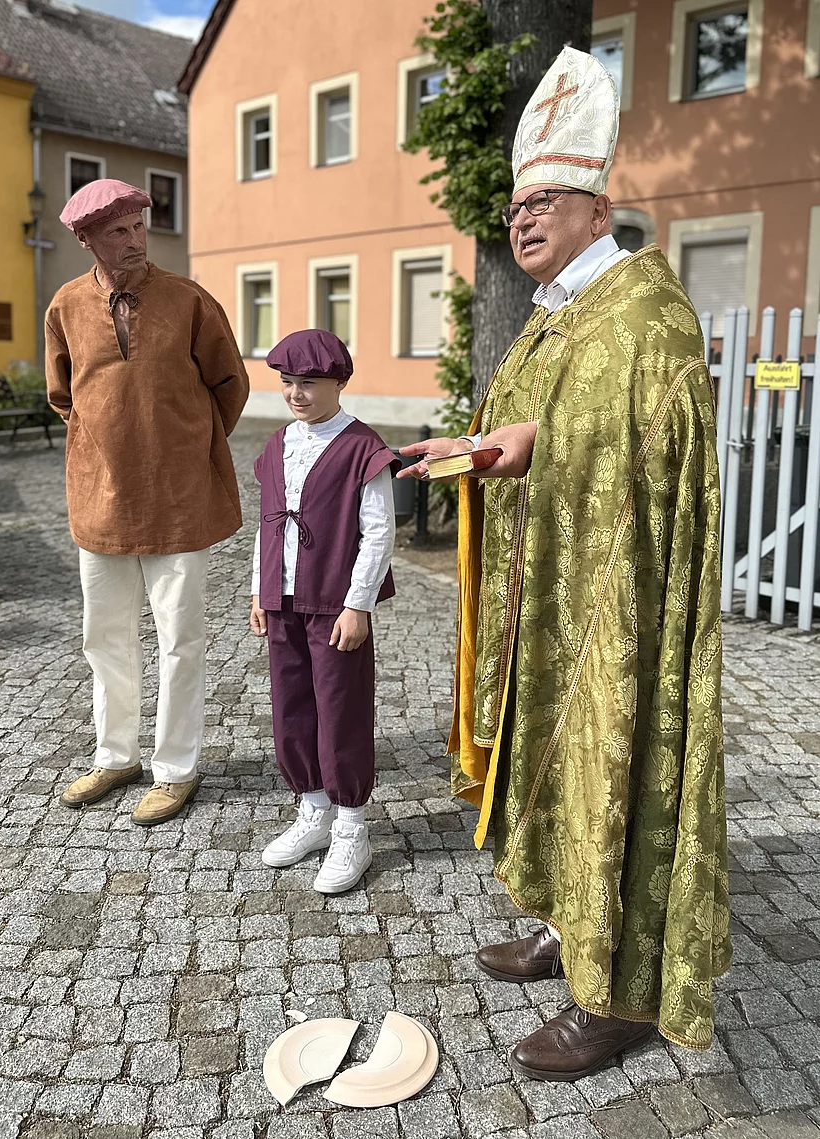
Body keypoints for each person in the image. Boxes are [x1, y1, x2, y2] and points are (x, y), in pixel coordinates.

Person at [399, 48, 730, 1077]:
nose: (523, 218)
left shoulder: (642, 309)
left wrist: (540, 442)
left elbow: (644, 451)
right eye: (512, 207)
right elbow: (558, 426)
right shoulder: (560, 314)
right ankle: (563, 924)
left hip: (613, 607)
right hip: (545, 591)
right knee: (551, 769)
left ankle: (618, 986)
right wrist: (490, 445)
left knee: (609, 774)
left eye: (546, 200)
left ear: (597, 208)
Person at [47, 178, 249, 827]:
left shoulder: (189, 301)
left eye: (139, 226)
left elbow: (230, 385)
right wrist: (103, 445)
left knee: (180, 638)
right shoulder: (66, 306)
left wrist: (183, 447)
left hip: (179, 498)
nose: (133, 240)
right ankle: (116, 755)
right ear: (86, 239)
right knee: (103, 636)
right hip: (100, 497)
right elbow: (61, 395)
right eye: (117, 231)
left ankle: (176, 768)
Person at [250, 330, 398, 893]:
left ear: (339, 381)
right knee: (291, 708)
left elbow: (378, 531)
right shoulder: (276, 446)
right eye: (288, 383)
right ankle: (312, 810)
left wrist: (358, 604)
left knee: (341, 710)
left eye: (309, 383)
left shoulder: (363, 447)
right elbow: (266, 525)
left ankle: (351, 826)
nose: (296, 393)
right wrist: (260, 592)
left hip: (334, 603)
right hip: (283, 601)